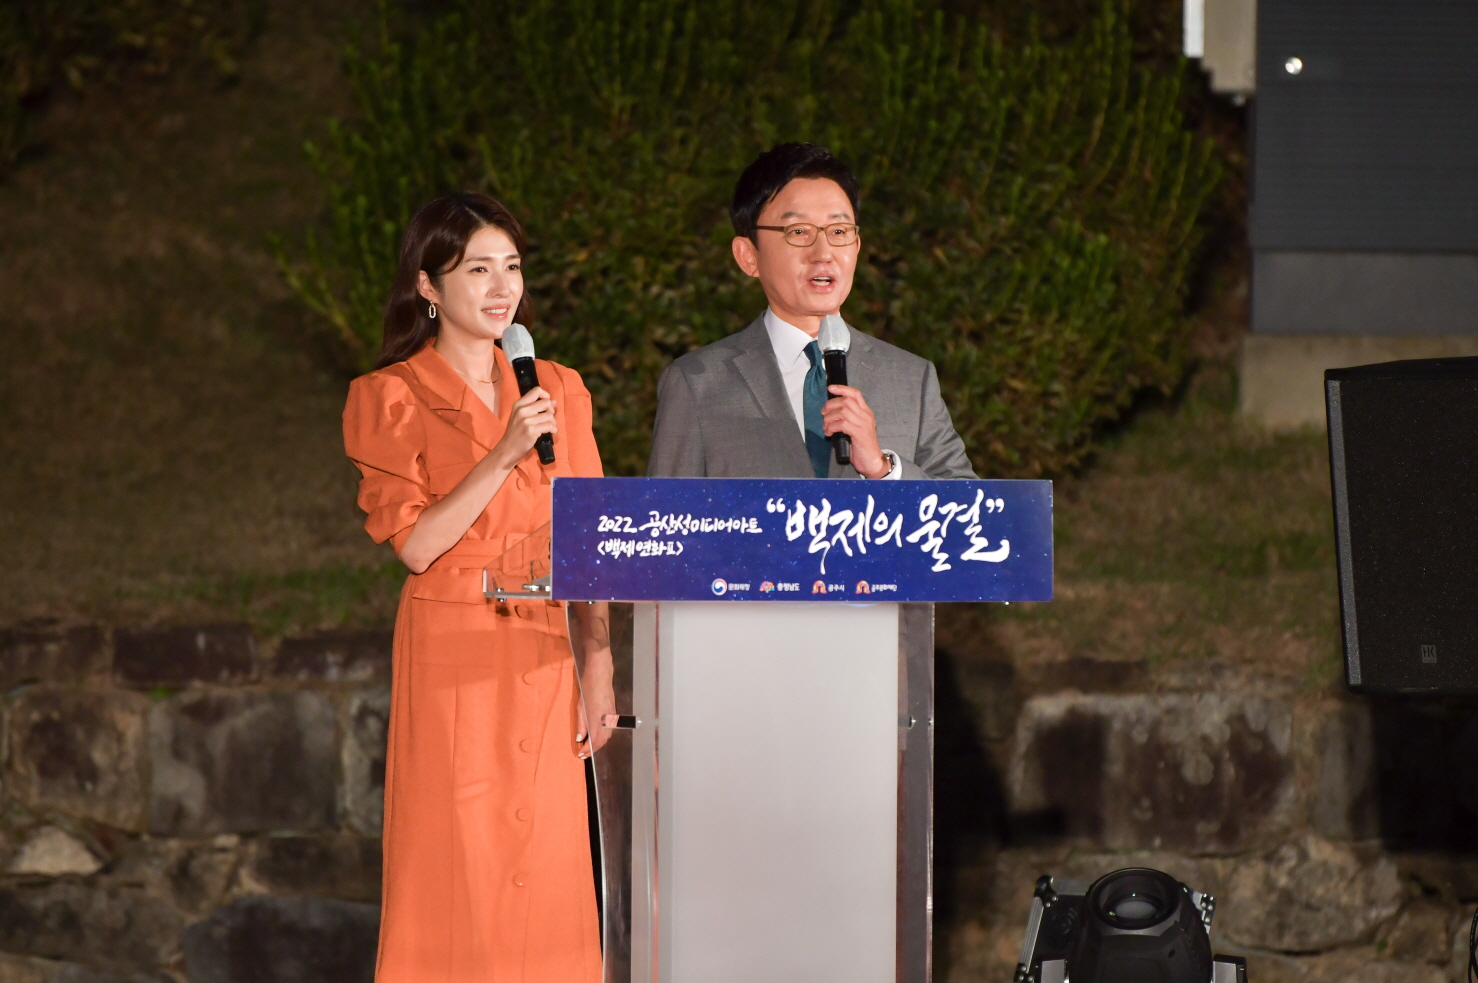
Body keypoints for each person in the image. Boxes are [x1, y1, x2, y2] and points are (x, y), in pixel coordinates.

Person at [342, 192, 609, 983]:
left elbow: (592, 538)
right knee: (460, 870)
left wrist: (598, 665)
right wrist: (502, 453)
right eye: (478, 270)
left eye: (512, 267)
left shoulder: (558, 387)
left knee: (548, 870)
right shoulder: (389, 395)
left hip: (545, 652)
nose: (502, 288)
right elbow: (417, 544)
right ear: (429, 285)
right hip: (455, 655)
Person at [647, 142, 977, 480]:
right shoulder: (697, 382)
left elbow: (968, 505)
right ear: (748, 255)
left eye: (839, 231)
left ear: (857, 246)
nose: (823, 253)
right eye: (798, 232)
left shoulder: (910, 378)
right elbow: (666, 510)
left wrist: (883, 469)